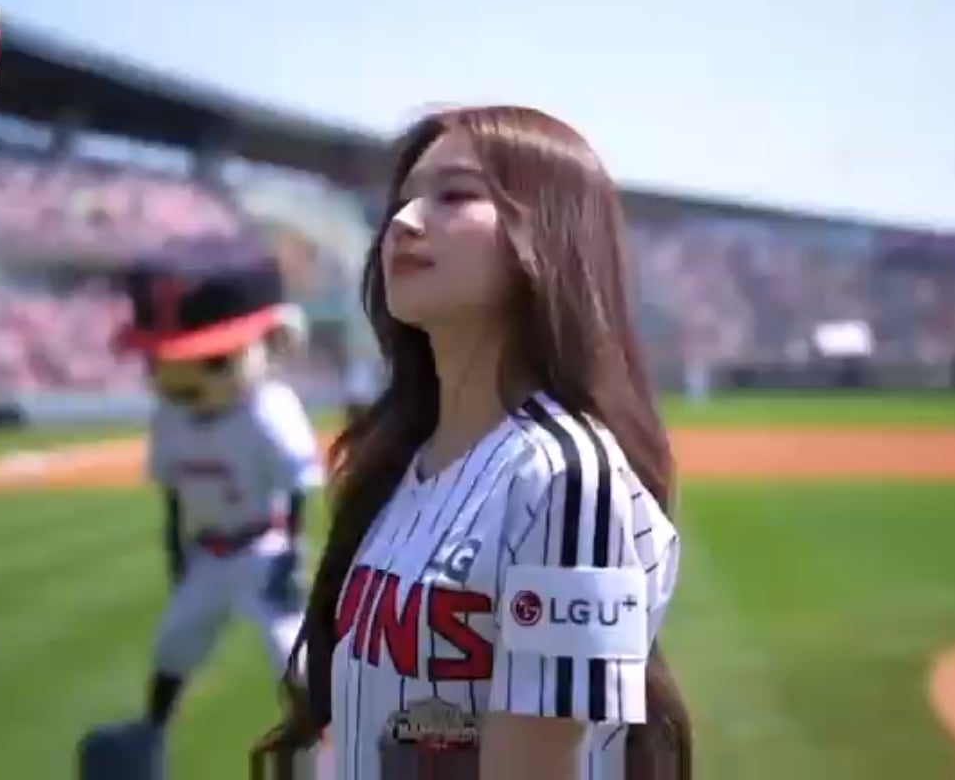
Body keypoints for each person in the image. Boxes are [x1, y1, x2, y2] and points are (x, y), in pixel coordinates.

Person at [254, 105, 693, 779]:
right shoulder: (399, 463)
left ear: (546, 233)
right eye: (400, 201)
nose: (403, 222)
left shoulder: (568, 477)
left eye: (455, 195)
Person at [81, 246, 324, 780]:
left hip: (262, 548)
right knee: (174, 644)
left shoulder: (268, 410)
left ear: (271, 342)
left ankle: (325, 747)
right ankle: (149, 738)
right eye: (158, 362)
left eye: (214, 361)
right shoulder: (171, 416)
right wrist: (175, 547)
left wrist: (292, 556)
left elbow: (297, 487)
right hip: (209, 553)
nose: (183, 377)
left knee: (294, 654)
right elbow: (173, 492)